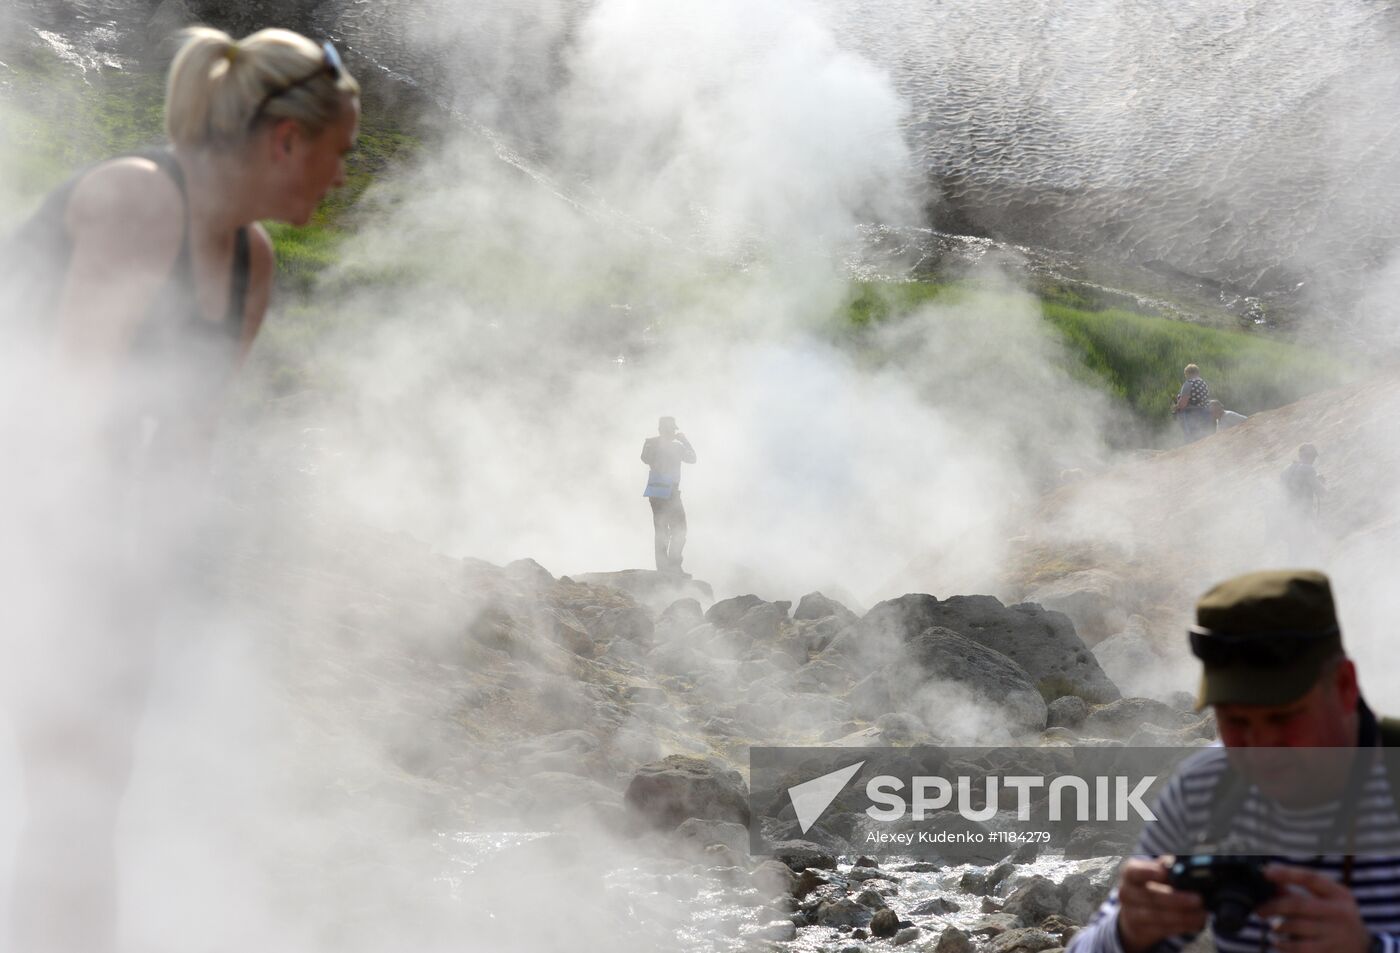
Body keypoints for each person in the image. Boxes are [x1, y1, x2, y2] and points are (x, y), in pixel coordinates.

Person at [0, 26, 359, 953]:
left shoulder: (252, 267)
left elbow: (181, 457)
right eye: (338, 153)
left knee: (89, 802)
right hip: (39, 524)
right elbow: (58, 428)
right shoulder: (135, 203)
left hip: (89, 547)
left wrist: (172, 611)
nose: (341, 177)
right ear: (287, 140)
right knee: (69, 801)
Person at [1066, 570, 1400, 953]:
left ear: (1344, 686)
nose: (1260, 748)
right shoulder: (1207, 785)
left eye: (1283, 718)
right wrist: (1127, 932)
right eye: (1236, 722)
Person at [640, 416, 696, 574]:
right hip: (665, 492)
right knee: (671, 530)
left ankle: (668, 567)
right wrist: (683, 441)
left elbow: (693, 459)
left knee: (670, 531)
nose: (672, 433)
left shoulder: (661, 444)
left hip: (660, 491)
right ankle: (669, 568)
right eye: (671, 430)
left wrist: (679, 442)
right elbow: (693, 458)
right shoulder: (657, 443)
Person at [1172, 364, 1212, 442]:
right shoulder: (1204, 383)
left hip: (1192, 413)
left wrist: (1176, 408)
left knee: (1191, 436)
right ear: (1197, 372)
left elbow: (1183, 403)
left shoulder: (1188, 383)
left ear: (1187, 373)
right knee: (1203, 435)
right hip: (1205, 411)